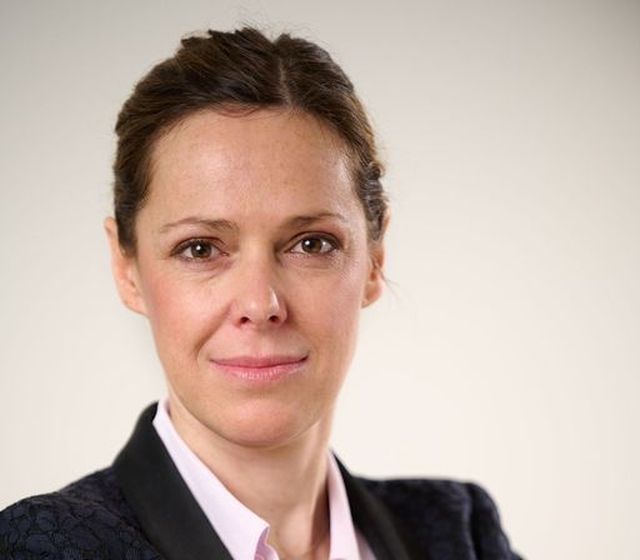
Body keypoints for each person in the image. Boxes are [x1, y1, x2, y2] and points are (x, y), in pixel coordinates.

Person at [0, 27, 522, 559]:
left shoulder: (458, 534)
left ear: (374, 260)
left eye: (311, 244)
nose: (259, 304)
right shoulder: (46, 546)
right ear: (126, 269)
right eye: (200, 249)